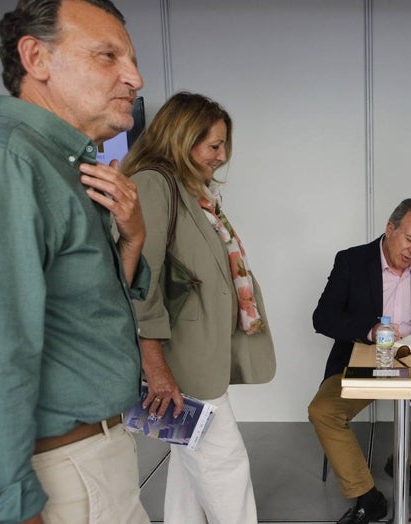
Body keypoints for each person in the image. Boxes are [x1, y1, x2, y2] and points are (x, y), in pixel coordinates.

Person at [0, 1, 151, 523]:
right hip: (61, 473)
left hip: (96, 455)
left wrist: (131, 240)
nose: (135, 76)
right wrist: (15, 504)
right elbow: (3, 347)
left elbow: (87, 312)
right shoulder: (12, 161)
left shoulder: (66, 165)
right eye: (108, 55)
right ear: (36, 57)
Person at [121, 91, 276, 524]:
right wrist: (155, 367)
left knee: (190, 470)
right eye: (214, 145)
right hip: (179, 361)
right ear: (182, 139)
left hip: (198, 355)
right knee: (225, 467)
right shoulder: (155, 184)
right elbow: (140, 280)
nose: (222, 156)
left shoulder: (192, 191)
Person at [309, 198, 411, 524]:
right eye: (409, 240)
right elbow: (323, 317)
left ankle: (407, 463)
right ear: (390, 228)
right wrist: (369, 330)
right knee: (323, 411)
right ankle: (366, 494)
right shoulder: (352, 261)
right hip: (364, 355)